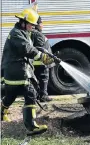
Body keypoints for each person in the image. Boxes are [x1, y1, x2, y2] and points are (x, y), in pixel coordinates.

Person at [0, 8, 54, 136]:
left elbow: (31, 47)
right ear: (23, 22)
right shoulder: (16, 34)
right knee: (30, 94)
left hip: (15, 71)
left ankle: (2, 113)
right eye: (31, 25)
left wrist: (43, 53)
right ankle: (31, 126)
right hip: (17, 71)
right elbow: (26, 48)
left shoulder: (22, 32)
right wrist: (41, 57)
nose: (33, 27)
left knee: (11, 96)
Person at [31, 16, 54, 102]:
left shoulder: (32, 33)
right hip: (41, 62)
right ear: (37, 24)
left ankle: (36, 96)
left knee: (36, 80)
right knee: (44, 78)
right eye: (41, 23)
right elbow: (41, 48)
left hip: (36, 62)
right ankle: (43, 96)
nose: (42, 25)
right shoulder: (38, 34)